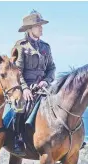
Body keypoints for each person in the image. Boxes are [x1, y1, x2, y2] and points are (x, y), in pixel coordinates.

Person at [12, 10, 56, 155]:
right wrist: (24, 89)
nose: (41, 28)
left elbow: (51, 68)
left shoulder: (46, 47)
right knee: (20, 107)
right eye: (38, 26)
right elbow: (18, 71)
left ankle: (66, 137)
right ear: (30, 29)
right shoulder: (21, 46)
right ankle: (17, 139)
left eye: (41, 25)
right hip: (27, 86)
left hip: (43, 86)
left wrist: (46, 81)